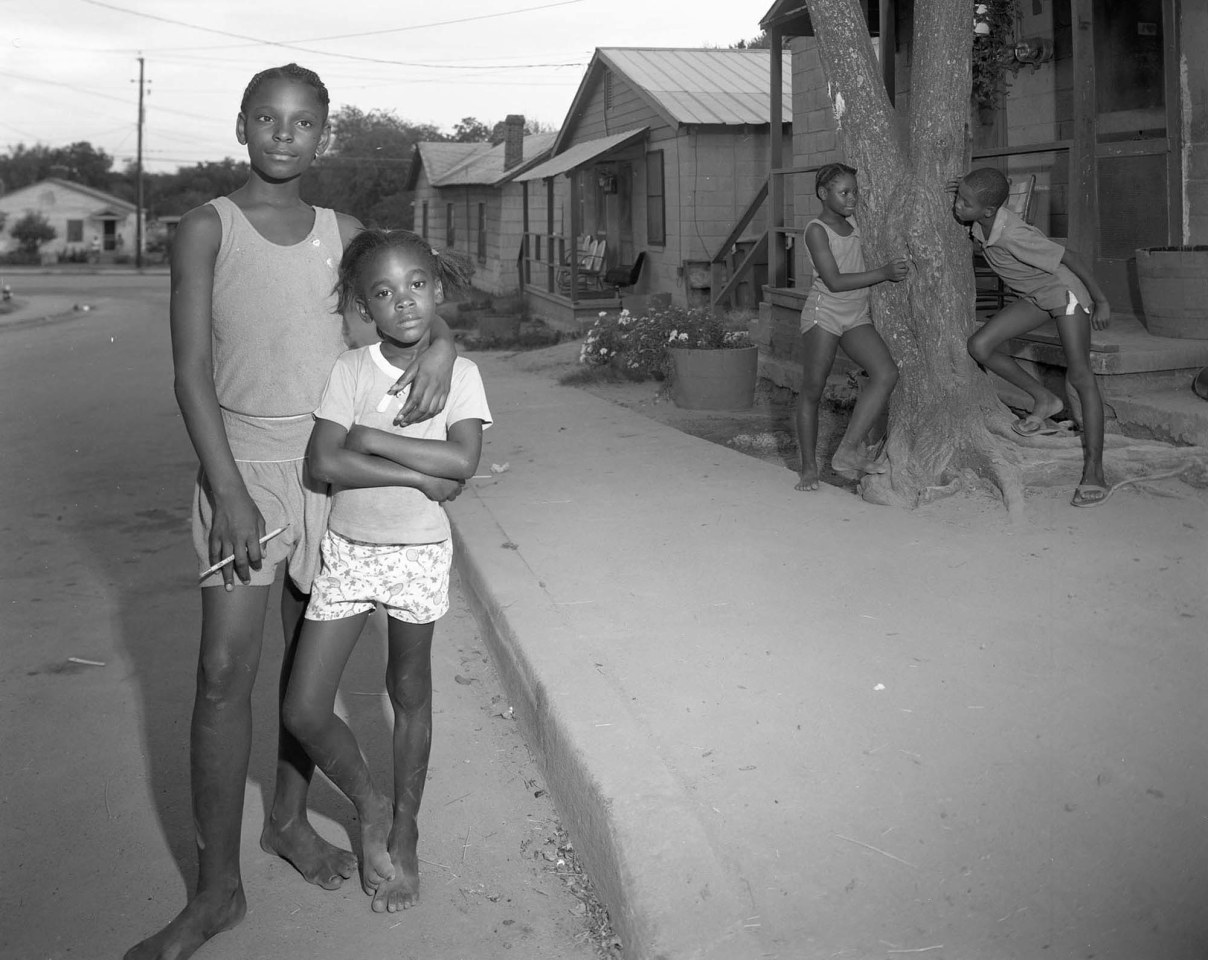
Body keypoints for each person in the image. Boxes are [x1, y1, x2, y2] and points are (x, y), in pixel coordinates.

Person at [127, 64, 458, 960]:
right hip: (242, 475)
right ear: (241, 126)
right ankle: (216, 891)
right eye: (268, 118)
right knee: (221, 673)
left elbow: (402, 307)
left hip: (327, 477)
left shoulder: (341, 234)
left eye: (304, 121)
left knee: (302, 674)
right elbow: (190, 371)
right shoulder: (207, 227)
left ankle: (286, 820)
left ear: (324, 134)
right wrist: (229, 490)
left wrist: (443, 342)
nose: (285, 134)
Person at [282, 229, 490, 913]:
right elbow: (325, 462)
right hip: (348, 550)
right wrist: (415, 473)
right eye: (384, 291)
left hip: (418, 553)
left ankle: (406, 828)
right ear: (364, 306)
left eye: (417, 285)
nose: (404, 301)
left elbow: (462, 462)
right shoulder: (351, 370)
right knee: (303, 708)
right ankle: (371, 805)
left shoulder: (460, 374)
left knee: (409, 692)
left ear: (439, 288)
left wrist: (369, 438)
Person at [952, 167, 1111, 507]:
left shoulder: (1014, 234)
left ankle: (1095, 470)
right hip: (1036, 297)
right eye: (958, 197)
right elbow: (972, 199)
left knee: (1080, 375)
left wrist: (1101, 300)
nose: (957, 206)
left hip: (1065, 294)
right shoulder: (978, 221)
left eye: (964, 202)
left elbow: (1070, 257)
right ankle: (1045, 399)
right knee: (980, 346)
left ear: (988, 211)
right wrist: (962, 190)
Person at [794, 162, 908, 491]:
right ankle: (809, 468)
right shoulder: (817, 230)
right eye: (844, 193)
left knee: (886, 373)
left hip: (856, 315)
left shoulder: (856, 222)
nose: (852, 199)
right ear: (823, 193)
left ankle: (847, 451)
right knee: (813, 389)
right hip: (825, 314)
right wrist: (883, 273)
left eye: (855, 192)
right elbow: (833, 280)